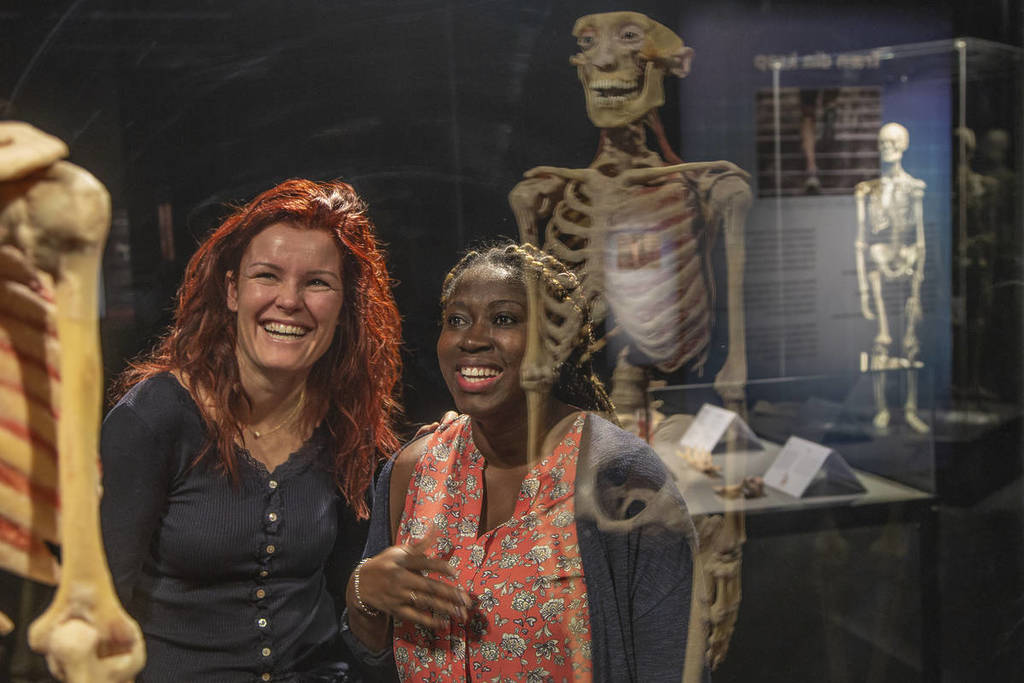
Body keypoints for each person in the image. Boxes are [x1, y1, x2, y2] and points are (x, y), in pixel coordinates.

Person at [342, 242, 696, 682]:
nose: (472, 339)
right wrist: (362, 594)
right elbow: (375, 660)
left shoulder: (619, 476)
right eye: (456, 321)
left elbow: (670, 661)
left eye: (504, 319)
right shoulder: (412, 471)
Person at [100, 178, 403, 682]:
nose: (289, 300)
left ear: (344, 303)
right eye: (268, 276)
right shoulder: (153, 418)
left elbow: (355, 610)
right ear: (232, 291)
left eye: (317, 283)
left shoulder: (349, 426)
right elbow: (96, 613)